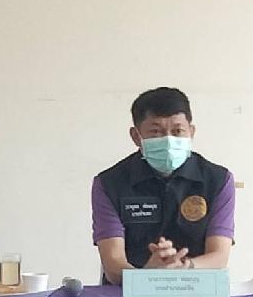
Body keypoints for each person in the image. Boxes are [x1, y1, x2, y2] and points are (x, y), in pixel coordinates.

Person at [92, 87, 235, 285]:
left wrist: (183, 267)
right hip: (127, 294)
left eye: (177, 131)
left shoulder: (218, 180)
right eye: (156, 132)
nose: (168, 140)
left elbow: (219, 257)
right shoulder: (109, 183)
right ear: (136, 136)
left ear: (191, 132)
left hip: (196, 289)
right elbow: (113, 265)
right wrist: (147, 275)